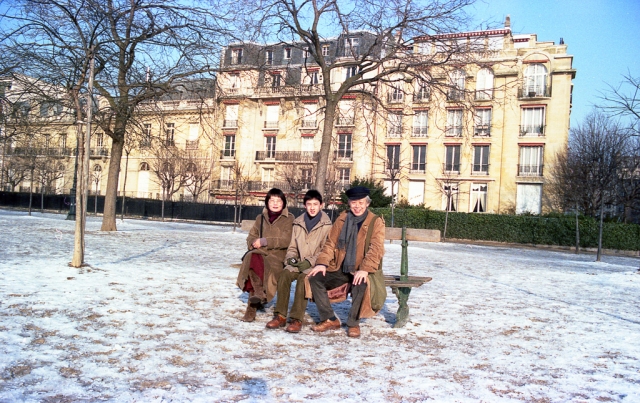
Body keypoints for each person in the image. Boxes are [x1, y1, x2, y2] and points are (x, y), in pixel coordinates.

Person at [307, 186, 386, 338]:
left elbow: (376, 249)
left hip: (362, 269)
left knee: (360, 283)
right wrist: (322, 263)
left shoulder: (376, 222)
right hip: (340, 266)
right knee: (314, 278)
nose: (357, 206)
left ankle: (353, 323)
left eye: (361, 203)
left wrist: (364, 269)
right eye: (354, 202)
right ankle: (329, 319)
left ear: (367, 203)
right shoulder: (342, 218)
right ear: (349, 203)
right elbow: (330, 243)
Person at [265, 190, 332, 333]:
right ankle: (280, 315)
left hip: (315, 265)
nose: (312, 207)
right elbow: (292, 246)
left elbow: (325, 249)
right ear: (304, 205)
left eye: (315, 204)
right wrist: (291, 259)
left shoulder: (327, 225)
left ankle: (296, 318)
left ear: (321, 205)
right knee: (284, 275)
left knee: (303, 279)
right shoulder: (298, 223)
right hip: (297, 263)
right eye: (309, 204)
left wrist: (310, 261)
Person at [237, 188, 294, 322]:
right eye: (272, 200)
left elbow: (287, 239)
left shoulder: (289, 219)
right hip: (260, 253)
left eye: (278, 201)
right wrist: (253, 242)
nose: (275, 203)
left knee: (253, 260)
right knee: (253, 256)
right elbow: (251, 236)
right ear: (267, 202)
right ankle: (258, 293)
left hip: (277, 257)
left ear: (283, 203)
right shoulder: (260, 218)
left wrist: (265, 241)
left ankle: (252, 309)